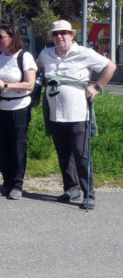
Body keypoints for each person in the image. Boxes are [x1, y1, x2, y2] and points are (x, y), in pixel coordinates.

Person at [37, 20, 116, 210]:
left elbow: (110, 66)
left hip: (79, 113)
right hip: (55, 114)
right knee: (63, 154)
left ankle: (89, 193)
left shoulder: (84, 53)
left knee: (81, 156)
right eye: (56, 34)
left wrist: (97, 87)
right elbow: (39, 70)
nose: (59, 37)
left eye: (64, 33)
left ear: (71, 35)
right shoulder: (45, 54)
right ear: (52, 37)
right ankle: (71, 188)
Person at [0, 25, 36, 200]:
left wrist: (6, 86)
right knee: (3, 147)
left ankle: (17, 184)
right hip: (1, 107)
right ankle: (6, 182)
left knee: (18, 146)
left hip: (19, 107)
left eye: (1, 37)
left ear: (12, 38)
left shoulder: (24, 56)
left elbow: (29, 84)